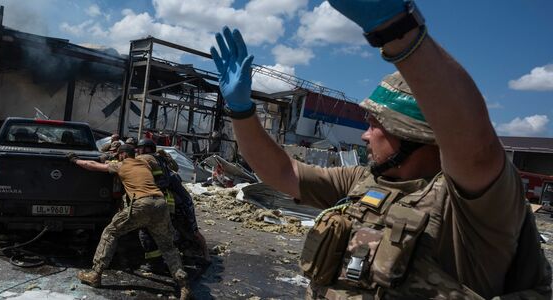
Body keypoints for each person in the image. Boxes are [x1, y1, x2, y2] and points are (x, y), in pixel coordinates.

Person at [210, 1, 551, 298]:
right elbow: (282, 172)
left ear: (414, 136)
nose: (364, 136)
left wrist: (397, 28)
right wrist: (242, 111)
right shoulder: (363, 181)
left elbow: (474, 145)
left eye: (375, 125)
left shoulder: (472, 208)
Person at [67, 144, 190, 299]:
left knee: (111, 232)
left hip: (141, 204)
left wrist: (75, 160)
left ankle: (95, 274)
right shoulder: (145, 161)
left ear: (123, 155)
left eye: (119, 155)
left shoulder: (121, 165)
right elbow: (155, 158)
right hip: (160, 204)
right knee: (167, 246)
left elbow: (92, 165)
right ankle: (183, 285)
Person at [135, 139, 210, 267]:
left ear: (147, 149)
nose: (137, 151)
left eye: (139, 148)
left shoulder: (155, 161)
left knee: (192, 231)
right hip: (172, 201)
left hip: (182, 202)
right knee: (175, 231)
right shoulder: (156, 160)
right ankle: (184, 255)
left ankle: (206, 256)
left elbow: (164, 181)